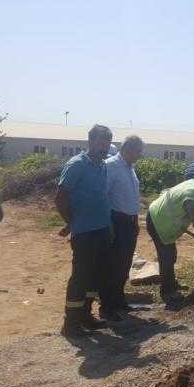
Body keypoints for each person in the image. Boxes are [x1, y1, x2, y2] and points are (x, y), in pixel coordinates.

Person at [55, 125, 113, 337]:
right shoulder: (77, 165)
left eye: (107, 142)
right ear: (90, 142)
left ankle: (86, 315)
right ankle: (70, 323)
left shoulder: (102, 166)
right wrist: (72, 223)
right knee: (80, 277)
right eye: (101, 142)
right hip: (85, 233)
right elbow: (60, 198)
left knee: (95, 275)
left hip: (102, 229)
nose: (104, 146)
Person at [146, 176, 194, 306]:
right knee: (166, 257)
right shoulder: (192, 200)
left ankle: (172, 283)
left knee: (171, 255)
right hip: (158, 222)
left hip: (158, 213)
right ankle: (167, 292)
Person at [103, 135, 144, 319]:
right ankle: (107, 307)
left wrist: (135, 221)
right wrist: (109, 224)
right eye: (138, 151)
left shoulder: (129, 168)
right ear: (127, 149)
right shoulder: (111, 166)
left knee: (124, 264)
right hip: (117, 221)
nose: (140, 155)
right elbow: (103, 196)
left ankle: (119, 301)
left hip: (129, 222)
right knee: (113, 265)